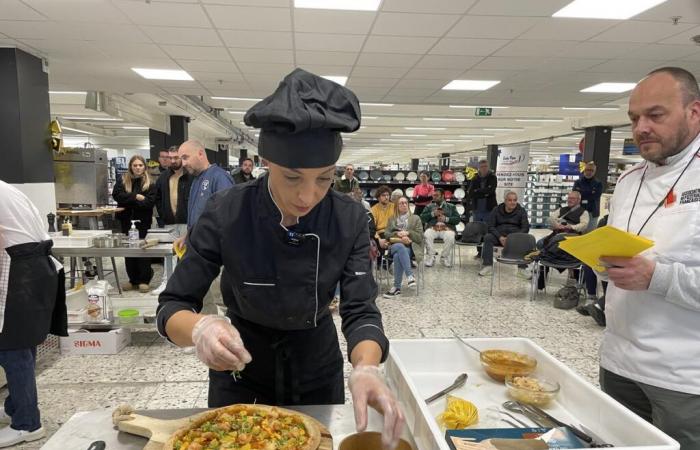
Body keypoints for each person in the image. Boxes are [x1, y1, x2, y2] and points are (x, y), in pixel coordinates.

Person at [156, 68, 404, 449]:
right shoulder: (227, 211)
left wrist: (367, 366)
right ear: (266, 162)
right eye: (292, 178)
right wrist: (200, 330)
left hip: (315, 366)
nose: (308, 196)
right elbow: (173, 304)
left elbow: (361, 310)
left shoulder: (349, 217)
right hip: (239, 366)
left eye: (324, 178)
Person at [596, 67, 700, 449]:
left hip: (685, 379)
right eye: (634, 118)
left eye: (656, 115)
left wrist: (655, 277)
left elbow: (653, 271)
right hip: (619, 362)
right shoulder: (627, 182)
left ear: (694, 112)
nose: (641, 127)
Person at [0, 181, 67, 447]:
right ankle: (15, 407)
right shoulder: (7, 188)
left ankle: (27, 423)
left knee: (11, 348)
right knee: (22, 344)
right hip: (35, 268)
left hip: (19, 270)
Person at [112, 155, 157, 293]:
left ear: (144, 166)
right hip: (125, 221)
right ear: (131, 166)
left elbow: (149, 203)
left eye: (140, 165)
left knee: (143, 249)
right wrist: (136, 197)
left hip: (143, 222)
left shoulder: (151, 183)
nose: (138, 168)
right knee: (129, 250)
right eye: (135, 165)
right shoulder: (123, 180)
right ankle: (133, 280)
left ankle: (144, 280)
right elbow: (117, 196)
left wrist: (129, 200)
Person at [478, 191, 530, 277]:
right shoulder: (496, 210)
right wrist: (500, 237)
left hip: (515, 237)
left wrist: (511, 238)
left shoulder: (521, 211)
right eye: (510, 200)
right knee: (487, 237)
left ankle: (522, 269)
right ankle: (488, 266)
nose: (513, 202)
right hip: (499, 236)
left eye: (515, 200)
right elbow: (490, 226)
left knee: (524, 239)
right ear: (505, 201)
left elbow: (525, 228)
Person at [382, 196, 423, 298]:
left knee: (398, 256)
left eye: (406, 203)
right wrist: (398, 234)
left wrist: (408, 233)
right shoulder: (392, 219)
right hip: (394, 246)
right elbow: (386, 234)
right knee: (399, 246)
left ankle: (396, 288)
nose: (404, 205)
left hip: (410, 248)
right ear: (397, 206)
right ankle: (410, 275)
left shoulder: (415, 218)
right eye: (401, 203)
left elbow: (419, 237)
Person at [155, 147, 193, 239]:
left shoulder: (191, 176)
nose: (172, 161)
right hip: (169, 223)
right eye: (170, 158)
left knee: (187, 251)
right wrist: (163, 215)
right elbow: (158, 198)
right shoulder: (163, 178)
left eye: (176, 158)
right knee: (170, 251)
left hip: (187, 223)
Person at [420, 189, 460, 268]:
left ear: (442, 196)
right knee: (427, 234)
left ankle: (444, 257)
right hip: (433, 228)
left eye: (437, 195)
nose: (434, 197)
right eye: (433, 195)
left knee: (450, 235)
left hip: (446, 228)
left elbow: (457, 220)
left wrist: (446, 219)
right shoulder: (429, 206)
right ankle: (431, 257)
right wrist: (432, 214)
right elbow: (422, 218)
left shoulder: (451, 206)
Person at [573, 162, 603, 232]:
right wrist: (590, 193)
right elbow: (575, 195)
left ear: (594, 172)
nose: (589, 172)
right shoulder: (578, 182)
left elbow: (595, 196)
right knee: (578, 232)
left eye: (591, 170)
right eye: (587, 170)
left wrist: (582, 194)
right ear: (584, 170)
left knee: (590, 233)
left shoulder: (598, 183)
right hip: (579, 212)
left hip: (592, 212)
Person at [370, 185, 396, 251]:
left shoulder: (394, 207)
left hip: (393, 233)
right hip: (380, 234)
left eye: (388, 195)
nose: (386, 197)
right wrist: (379, 240)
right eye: (383, 195)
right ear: (378, 197)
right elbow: (372, 228)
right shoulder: (374, 209)